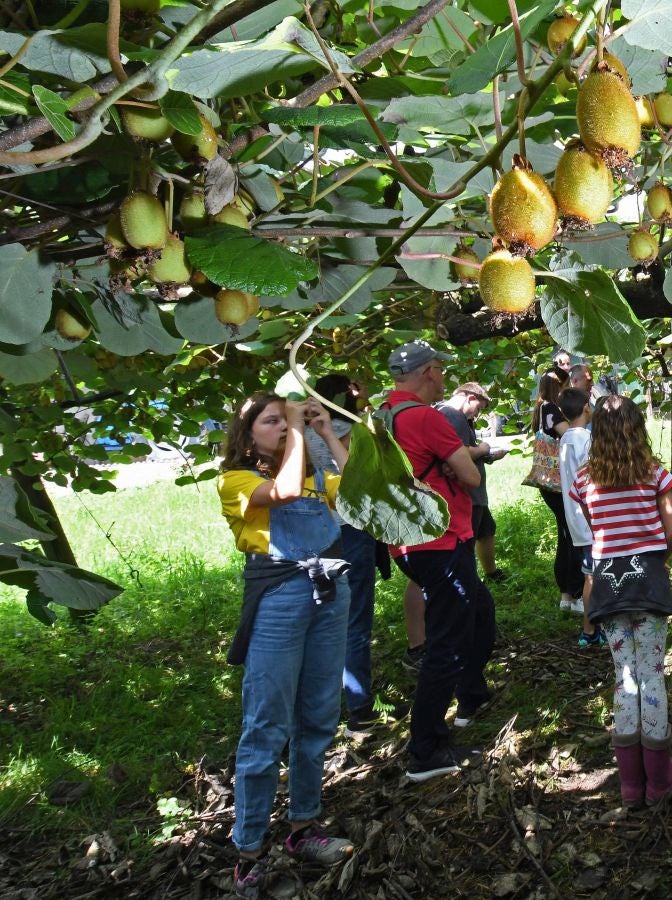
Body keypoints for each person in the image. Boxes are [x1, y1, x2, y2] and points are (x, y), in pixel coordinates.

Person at [218, 393, 355, 897]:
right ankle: (248, 851)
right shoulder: (236, 480)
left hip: (330, 591)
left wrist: (325, 435)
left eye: (284, 419)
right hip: (279, 598)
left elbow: (363, 492)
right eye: (271, 421)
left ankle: (303, 829)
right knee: (266, 725)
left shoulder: (315, 474)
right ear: (247, 433)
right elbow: (284, 490)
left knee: (318, 715)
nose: (282, 426)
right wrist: (299, 426)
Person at [568, 395, 672, 807]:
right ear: (637, 428)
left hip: (607, 585)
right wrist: (659, 561)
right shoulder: (654, 474)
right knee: (652, 673)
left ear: (595, 433)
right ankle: (659, 781)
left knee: (625, 676)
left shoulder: (584, 481)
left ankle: (630, 787)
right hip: (649, 583)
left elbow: (595, 528)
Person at [382, 340, 494, 781]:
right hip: (440, 540)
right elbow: (469, 474)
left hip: (408, 539)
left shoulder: (383, 415)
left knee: (479, 612)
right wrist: (455, 466)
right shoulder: (424, 418)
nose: (444, 378)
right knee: (445, 642)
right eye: (440, 371)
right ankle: (425, 750)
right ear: (428, 370)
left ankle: (473, 694)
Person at [303, 374, 401, 735]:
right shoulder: (343, 428)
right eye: (358, 388)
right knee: (354, 619)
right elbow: (365, 476)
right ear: (344, 394)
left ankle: (325, 708)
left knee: (326, 618)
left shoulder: (302, 432)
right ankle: (360, 707)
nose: (365, 393)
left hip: (316, 530)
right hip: (348, 527)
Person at [435, 381, 509, 580]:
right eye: (478, 408)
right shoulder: (454, 415)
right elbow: (460, 453)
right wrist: (484, 449)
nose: (476, 414)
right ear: (470, 398)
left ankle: (491, 573)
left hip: (473, 493)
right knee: (467, 540)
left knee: (486, 529)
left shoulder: (446, 413)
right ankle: (467, 580)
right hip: (467, 493)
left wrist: (488, 456)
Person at [534, 366, 586, 613]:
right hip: (558, 484)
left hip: (552, 483)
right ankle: (575, 592)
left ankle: (566, 595)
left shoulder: (541, 408)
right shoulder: (551, 409)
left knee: (565, 536)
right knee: (571, 537)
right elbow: (570, 434)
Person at [558, 387, 604, 647]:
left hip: (576, 518)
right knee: (593, 576)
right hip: (589, 519)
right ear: (586, 407)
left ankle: (593, 627)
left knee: (591, 574)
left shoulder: (565, 439)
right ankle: (590, 629)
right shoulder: (584, 440)